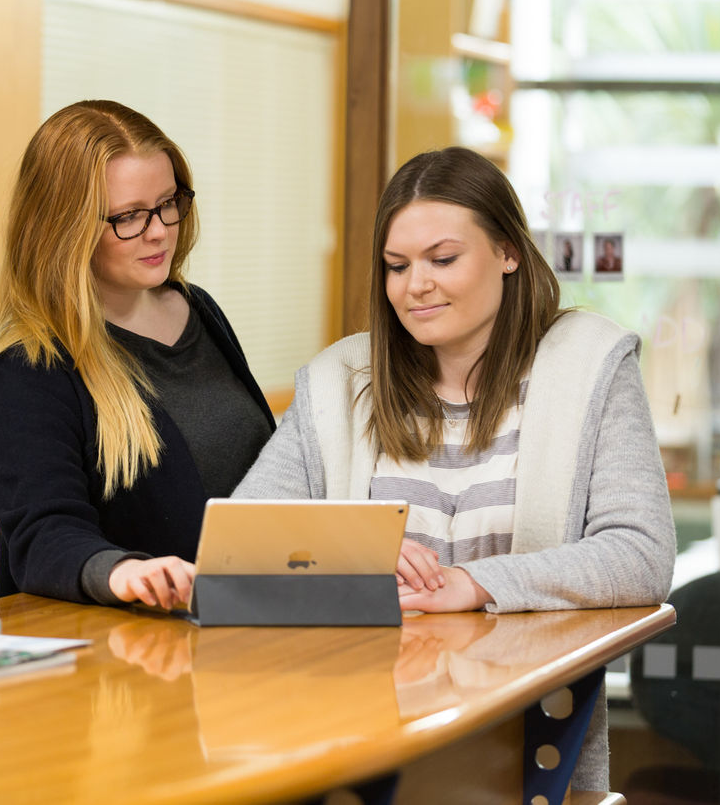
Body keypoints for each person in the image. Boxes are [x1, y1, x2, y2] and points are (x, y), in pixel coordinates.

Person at [233, 146, 675, 791]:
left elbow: (640, 554)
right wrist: (358, 551)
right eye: (396, 265)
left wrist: (475, 583)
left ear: (507, 253)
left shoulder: (590, 365)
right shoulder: (339, 379)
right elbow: (243, 542)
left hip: (523, 755)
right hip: (354, 747)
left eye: (443, 259)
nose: (417, 285)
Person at [0, 100, 274, 611]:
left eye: (167, 202)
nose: (158, 230)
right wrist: (124, 572)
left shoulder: (197, 309)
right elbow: (42, 535)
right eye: (129, 216)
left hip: (233, 622)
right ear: (65, 228)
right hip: (126, 651)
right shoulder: (31, 363)